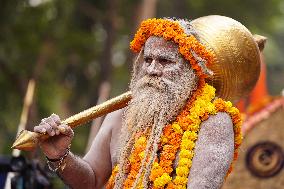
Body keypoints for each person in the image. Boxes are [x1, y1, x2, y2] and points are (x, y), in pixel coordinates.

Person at [33, 16, 261, 189]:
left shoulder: (212, 122)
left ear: (191, 70)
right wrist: (60, 156)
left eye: (164, 61)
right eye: (148, 59)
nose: (152, 69)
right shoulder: (121, 115)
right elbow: (91, 179)